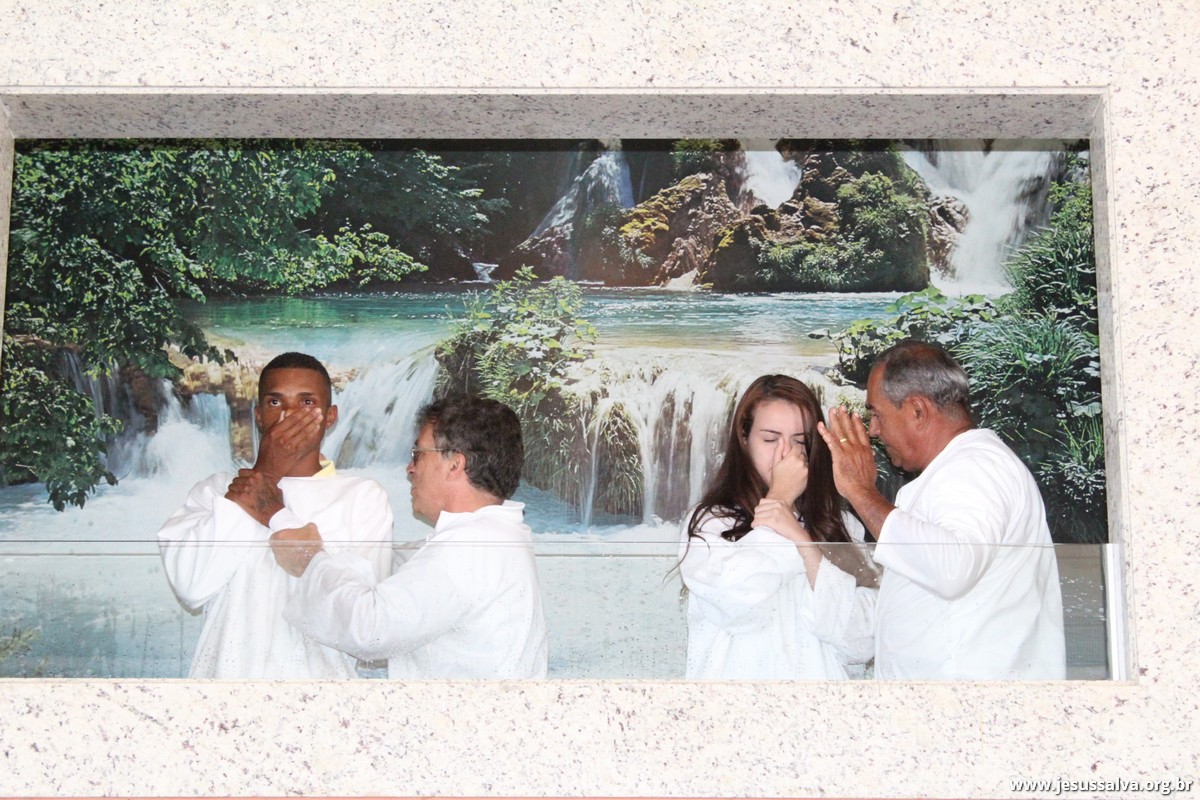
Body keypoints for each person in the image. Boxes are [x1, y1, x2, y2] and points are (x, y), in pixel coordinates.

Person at [817, 339, 1066, 679]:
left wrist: (861, 493)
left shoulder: (976, 466)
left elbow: (952, 568)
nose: (874, 430)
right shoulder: (965, 465)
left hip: (971, 705)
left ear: (917, 411)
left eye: (877, 414)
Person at [271, 394, 548, 679]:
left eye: (418, 454)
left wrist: (308, 557)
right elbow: (410, 570)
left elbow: (371, 631)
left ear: (455, 465)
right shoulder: (491, 538)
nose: (409, 468)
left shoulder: (470, 547)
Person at [157, 352, 393, 678]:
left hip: (323, 691)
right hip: (227, 686)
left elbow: (365, 625)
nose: (289, 415)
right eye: (275, 402)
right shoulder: (215, 491)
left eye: (307, 402)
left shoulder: (362, 497)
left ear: (330, 417)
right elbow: (191, 587)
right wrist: (266, 472)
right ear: (258, 415)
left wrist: (279, 515)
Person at [677, 374, 878, 679]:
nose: (785, 453)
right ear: (744, 439)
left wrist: (806, 546)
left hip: (823, 703)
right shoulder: (710, 523)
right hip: (733, 702)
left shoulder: (841, 524)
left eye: (799, 441)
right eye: (770, 439)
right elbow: (737, 606)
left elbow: (862, 642)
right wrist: (779, 501)